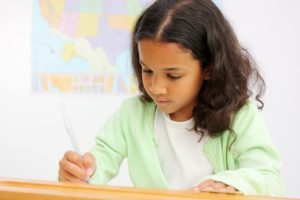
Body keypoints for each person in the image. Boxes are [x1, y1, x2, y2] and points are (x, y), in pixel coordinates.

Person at [58, 0, 283, 196]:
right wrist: (79, 173)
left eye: (173, 75)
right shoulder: (132, 114)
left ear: (209, 67)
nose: (156, 88)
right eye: (147, 71)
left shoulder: (239, 116)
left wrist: (230, 183)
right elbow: (100, 161)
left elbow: (270, 180)